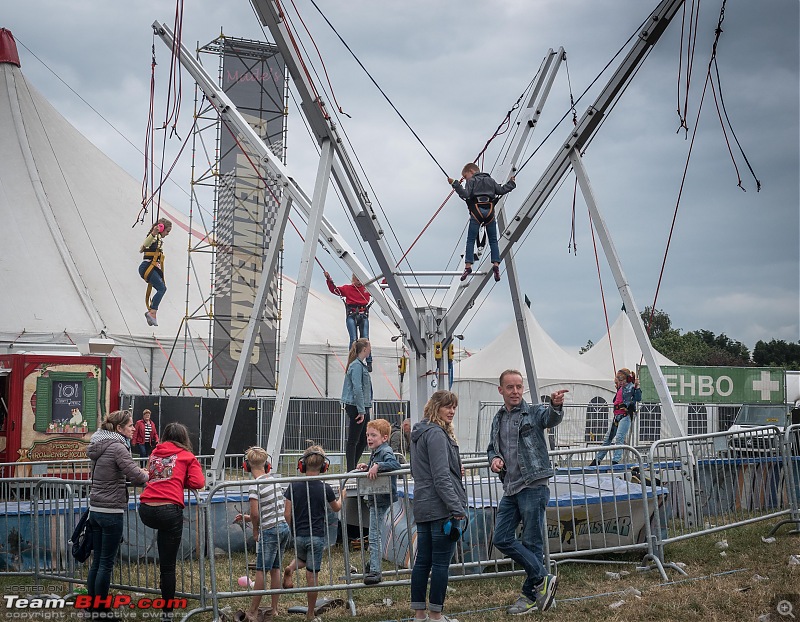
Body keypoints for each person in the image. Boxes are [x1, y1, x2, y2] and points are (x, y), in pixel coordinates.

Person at [487, 370, 567, 615]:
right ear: (501, 390)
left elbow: (550, 418)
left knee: (532, 542)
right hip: (511, 487)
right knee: (501, 538)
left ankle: (529, 597)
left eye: (519, 387)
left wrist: (555, 404)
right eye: (510, 387)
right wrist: (495, 460)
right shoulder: (498, 418)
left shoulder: (533, 412)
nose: (515, 391)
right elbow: (492, 448)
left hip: (533, 484)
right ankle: (543, 579)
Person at [409, 390, 467, 622]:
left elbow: (421, 470)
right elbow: (441, 477)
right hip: (440, 506)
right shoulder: (436, 434)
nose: (451, 411)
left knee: (422, 561)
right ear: (436, 408)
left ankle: (420, 614)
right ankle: (435, 615)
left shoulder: (418, 433)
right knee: (441, 563)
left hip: (423, 504)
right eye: (447, 406)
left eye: (454, 406)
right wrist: (457, 508)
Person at [138, 422, 205, 621]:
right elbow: (198, 482)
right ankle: (167, 614)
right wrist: (179, 480)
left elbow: (151, 475)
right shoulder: (187, 456)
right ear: (184, 438)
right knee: (168, 567)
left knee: (163, 539)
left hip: (146, 509)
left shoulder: (155, 453)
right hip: (169, 509)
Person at [87, 410, 149, 619]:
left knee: (97, 562)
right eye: (130, 425)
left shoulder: (99, 444)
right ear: (119, 428)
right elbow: (135, 474)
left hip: (95, 509)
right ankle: (102, 611)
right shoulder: (117, 447)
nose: (134, 428)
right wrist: (148, 474)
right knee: (105, 563)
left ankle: (92, 607)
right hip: (111, 510)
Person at [283, 446, 343, 622]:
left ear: (301, 465)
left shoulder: (293, 485)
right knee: (312, 576)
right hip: (317, 536)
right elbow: (336, 507)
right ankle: (310, 613)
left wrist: (292, 529)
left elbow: (287, 513)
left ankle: (290, 568)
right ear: (324, 467)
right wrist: (343, 495)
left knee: (302, 559)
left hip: (299, 535)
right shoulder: (325, 487)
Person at [234, 447, 290, 622]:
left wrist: (256, 530)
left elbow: (257, 514)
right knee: (275, 569)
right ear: (267, 465)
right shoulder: (274, 481)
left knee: (260, 570)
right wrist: (247, 518)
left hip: (270, 531)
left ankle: (252, 610)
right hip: (283, 528)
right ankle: (274, 609)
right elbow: (269, 510)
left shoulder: (254, 486)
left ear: (247, 466)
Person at [449, 163, 516, 283]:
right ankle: (496, 264)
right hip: (490, 212)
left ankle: (468, 266)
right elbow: (501, 190)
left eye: (465, 176)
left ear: (471, 171)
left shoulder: (472, 181)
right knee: (493, 240)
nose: (466, 179)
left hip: (476, 212)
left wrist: (455, 184)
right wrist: (511, 183)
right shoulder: (491, 180)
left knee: (470, 240)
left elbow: (465, 194)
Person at [355, 418, 401, 585]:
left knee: (375, 535)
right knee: (374, 533)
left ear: (384, 437)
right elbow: (375, 468)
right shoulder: (376, 451)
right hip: (375, 497)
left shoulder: (385, 451)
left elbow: (395, 464)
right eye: (368, 435)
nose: (369, 438)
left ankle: (375, 570)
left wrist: (378, 466)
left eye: (373, 435)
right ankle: (372, 564)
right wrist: (367, 467)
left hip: (381, 498)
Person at [589, 368, 642, 467]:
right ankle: (597, 460)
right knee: (607, 438)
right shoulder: (620, 388)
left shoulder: (631, 388)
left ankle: (615, 461)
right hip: (617, 416)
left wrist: (637, 387)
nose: (620, 382)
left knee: (619, 437)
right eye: (619, 380)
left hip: (626, 416)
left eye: (622, 380)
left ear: (627, 379)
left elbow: (638, 398)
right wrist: (618, 387)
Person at [324, 270, 372, 371]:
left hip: (363, 315)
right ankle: (352, 361)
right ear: (353, 279)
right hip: (352, 315)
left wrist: (386, 279)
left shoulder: (367, 289)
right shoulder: (348, 289)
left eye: (360, 280)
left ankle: (369, 361)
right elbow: (335, 290)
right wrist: (329, 279)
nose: (359, 282)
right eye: (357, 279)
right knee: (353, 339)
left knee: (366, 338)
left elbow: (380, 290)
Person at [342, 338, 373, 472]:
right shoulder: (356, 366)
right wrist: (361, 410)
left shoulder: (360, 365)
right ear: (365, 349)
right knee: (354, 439)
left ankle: (353, 465)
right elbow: (357, 388)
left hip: (362, 406)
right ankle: (350, 470)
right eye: (369, 348)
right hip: (356, 406)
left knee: (364, 438)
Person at [139, 217, 173, 326]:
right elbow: (146, 243)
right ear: (162, 228)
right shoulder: (154, 237)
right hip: (147, 267)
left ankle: (152, 311)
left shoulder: (158, 239)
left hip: (149, 268)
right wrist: (154, 233)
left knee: (162, 288)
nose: (167, 234)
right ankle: (152, 312)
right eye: (167, 231)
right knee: (162, 288)